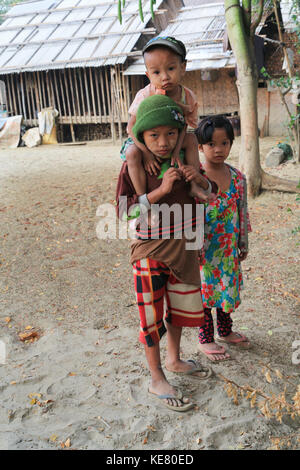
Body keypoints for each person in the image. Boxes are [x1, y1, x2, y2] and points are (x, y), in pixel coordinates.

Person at [116, 95, 215, 411]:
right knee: (151, 316)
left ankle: (173, 360)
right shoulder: (133, 166)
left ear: (179, 133)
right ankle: (156, 375)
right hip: (150, 251)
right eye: (153, 135)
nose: (162, 142)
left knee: (179, 308)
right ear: (142, 136)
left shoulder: (184, 160)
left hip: (185, 246)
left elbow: (211, 193)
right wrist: (158, 191)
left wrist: (196, 177)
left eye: (170, 134)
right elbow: (123, 212)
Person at [120, 36, 211, 201]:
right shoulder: (145, 95)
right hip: (143, 142)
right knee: (131, 153)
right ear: (148, 74)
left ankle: (194, 185)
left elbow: (183, 126)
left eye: (170, 68)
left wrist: (176, 151)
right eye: (156, 72)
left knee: (191, 140)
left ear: (183, 67)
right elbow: (130, 128)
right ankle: (143, 198)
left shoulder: (187, 96)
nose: (165, 77)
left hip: (173, 138)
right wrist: (146, 153)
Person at [194, 115, 252, 362]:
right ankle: (205, 340)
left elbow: (242, 211)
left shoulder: (238, 178)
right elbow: (189, 214)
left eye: (225, 143)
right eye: (211, 144)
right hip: (203, 250)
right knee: (205, 294)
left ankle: (225, 331)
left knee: (225, 290)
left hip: (228, 249)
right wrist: (192, 244)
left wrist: (243, 242)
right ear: (200, 147)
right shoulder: (195, 178)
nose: (219, 149)